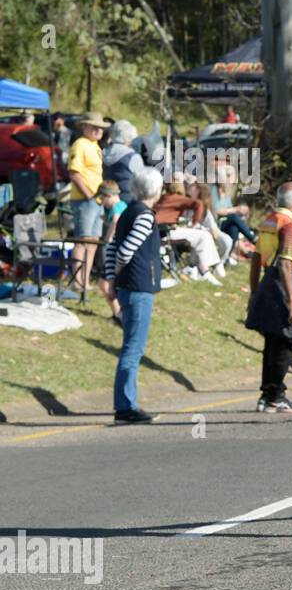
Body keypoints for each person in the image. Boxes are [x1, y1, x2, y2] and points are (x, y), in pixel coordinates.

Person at [103, 169, 165, 424]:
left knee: (131, 345)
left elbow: (111, 247)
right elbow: (125, 251)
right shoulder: (145, 216)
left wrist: (111, 278)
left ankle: (126, 403)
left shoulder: (128, 210)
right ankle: (126, 406)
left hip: (129, 286)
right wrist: (118, 271)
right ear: (157, 191)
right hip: (138, 286)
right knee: (133, 348)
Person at [247, 182, 292, 414]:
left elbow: (255, 258)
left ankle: (266, 396)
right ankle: (276, 395)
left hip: (267, 281)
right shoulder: (290, 226)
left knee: (272, 341)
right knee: (288, 339)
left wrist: (254, 292)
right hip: (285, 283)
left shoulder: (268, 221)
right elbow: (285, 263)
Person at [67, 112, 111, 295]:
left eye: (100, 127)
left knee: (92, 241)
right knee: (82, 240)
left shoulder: (95, 146)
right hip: (85, 200)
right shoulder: (80, 145)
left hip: (96, 200)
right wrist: (88, 195)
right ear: (84, 127)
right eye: (94, 127)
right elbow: (74, 172)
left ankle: (84, 281)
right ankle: (77, 281)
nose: (98, 130)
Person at [155, 177, 225, 284]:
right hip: (167, 232)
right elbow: (199, 204)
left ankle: (200, 268)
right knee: (204, 235)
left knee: (201, 237)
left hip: (158, 232)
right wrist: (194, 223)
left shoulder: (162, 198)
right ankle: (206, 270)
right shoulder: (177, 198)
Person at [95, 181, 128, 322]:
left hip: (113, 251)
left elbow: (116, 221)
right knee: (105, 284)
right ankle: (118, 314)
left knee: (106, 284)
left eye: (102, 199)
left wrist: (107, 239)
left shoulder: (116, 207)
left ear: (108, 196)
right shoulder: (123, 205)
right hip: (119, 249)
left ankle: (119, 315)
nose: (102, 202)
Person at [102, 120, 144, 202]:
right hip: (127, 201)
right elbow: (140, 182)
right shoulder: (133, 157)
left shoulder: (103, 152)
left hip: (106, 199)